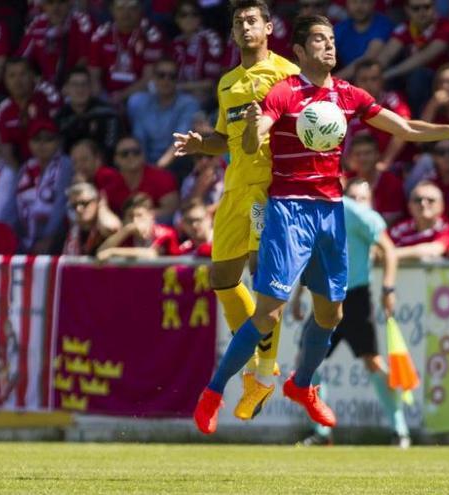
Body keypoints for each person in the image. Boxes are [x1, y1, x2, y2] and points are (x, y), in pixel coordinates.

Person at [190, 13, 449, 435]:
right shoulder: (284, 92)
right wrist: (253, 128)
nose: (329, 46)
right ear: (298, 51)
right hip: (288, 209)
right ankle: (214, 392)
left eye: (331, 39)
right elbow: (255, 133)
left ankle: (301, 385)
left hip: (330, 210)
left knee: (331, 314)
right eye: (318, 40)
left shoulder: (348, 95)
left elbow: (404, 127)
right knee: (268, 313)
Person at [172, 0, 300, 424]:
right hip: (233, 190)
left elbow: (306, 127)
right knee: (222, 279)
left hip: (267, 189)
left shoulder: (287, 73)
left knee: (262, 275)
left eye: (252, 20)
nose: (245, 27)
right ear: (231, 33)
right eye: (238, 22)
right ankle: (260, 361)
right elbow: (226, 139)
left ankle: (261, 372)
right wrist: (200, 143)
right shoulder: (227, 81)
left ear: (268, 27)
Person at [294, 178, 407, 448]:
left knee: (374, 363)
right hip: (326, 296)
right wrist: (299, 295)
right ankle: (322, 433)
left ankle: (400, 430)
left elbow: (389, 250)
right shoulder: (313, 213)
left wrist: (388, 289)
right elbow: (311, 256)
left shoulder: (354, 212)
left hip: (355, 298)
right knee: (306, 361)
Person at [377, 0, 449, 113]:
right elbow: (387, 54)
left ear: (434, 7)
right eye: (416, 8)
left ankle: (416, 119)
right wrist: (375, 73)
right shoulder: (405, 28)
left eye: (426, 7)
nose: (422, 12)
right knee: (382, 79)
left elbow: (423, 57)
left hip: (438, 80)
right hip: (409, 79)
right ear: (407, 10)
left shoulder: (446, 26)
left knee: (418, 75)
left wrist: (388, 74)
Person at [127, 57, 200, 169]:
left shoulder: (188, 104)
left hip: (174, 163)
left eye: (172, 76)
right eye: (161, 75)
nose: (166, 80)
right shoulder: (137, 102)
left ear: (177, 79)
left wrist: (157, 170)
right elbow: (139, 140)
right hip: (141, 163)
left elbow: (179, 141)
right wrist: (143, 170)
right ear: (153, 78)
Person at [88, 0, 166, 103]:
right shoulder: (101, 34)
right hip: (106, 93)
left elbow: (149, 77)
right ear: (112, 10)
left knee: (137, 100)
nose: (126, 13)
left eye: (132, 8)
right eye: (120, 8)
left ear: (140, 10)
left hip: (139, 93)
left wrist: (121, 96)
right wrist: (99, 98)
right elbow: (94, 75)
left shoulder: (151, 36)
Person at [15, 120, 74, 254]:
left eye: (48, 139)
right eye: (36, 139)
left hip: (56, 237)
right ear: (29, 143)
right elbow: (16, 205)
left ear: (58, 142)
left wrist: (49, 237)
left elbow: (61, 203)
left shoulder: (65, 164)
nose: (42, 144)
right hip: (25, 238)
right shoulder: (25, 168)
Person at [347, 60, 412, 173]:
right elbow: (345, 153)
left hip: (395, 168)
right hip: (359, 173)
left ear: (382, 81)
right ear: (356, 83)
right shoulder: (349, 110)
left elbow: (404, 125)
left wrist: (385, 163)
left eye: (374, 79)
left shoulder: (392, 99)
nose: (369, 84)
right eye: (364, 80)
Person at [0, 57, 62, 165]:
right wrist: (18, 177)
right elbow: (6, 151)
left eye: (22, 74)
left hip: (54, 161)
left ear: (32, 76)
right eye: (12, 76)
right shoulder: (3, 110)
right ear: (5, 81)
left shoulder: (47, 95)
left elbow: (58, 136)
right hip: (22, 168)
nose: (17, 80)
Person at [102, 136, 179, 224]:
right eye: (124, 153)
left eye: (136, 152)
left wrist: (137, 218)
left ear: (143, 155)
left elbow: (171, 211)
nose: (131, 156)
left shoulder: (162, 178)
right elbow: (104, 209)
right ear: (115, 159)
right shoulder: (110, 183)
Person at [17, 0, 94, 86]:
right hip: (46, 86)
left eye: (61, 2)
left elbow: (85, 59)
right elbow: (22, 60)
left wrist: (68, 84)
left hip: (76, 84)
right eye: (50, 3)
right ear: (43, 6)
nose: (56, 8)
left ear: (69, 3)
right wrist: (34, 77)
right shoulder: (37, 24)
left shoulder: (82, 21)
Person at [54, 67, 123, 156]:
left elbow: (112, 149)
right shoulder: (60, 117)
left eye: (84, 84)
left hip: (102, 165)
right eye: (75, 84)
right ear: (66, 89)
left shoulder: (107, 113)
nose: (80, 89)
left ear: (91, 87)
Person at [390, 181, 449, 261]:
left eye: (430, 200)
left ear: (441, 205)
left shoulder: (448, 227)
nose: (423, 203)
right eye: (418, 200)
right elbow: (380, 249)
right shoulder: (399, 229)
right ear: (409, 206)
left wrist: (390, 254)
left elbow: (435, 249)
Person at [96, 193, 181, 260]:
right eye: (130, 216)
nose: (134, 221)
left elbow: (151, 254)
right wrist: (126, 230)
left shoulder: (166, 233)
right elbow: (101, 253)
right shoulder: (126, 234)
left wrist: (113, 252)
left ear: (151, 215)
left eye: (139, 215)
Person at [345, 134, 406, 225]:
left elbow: (391, 221)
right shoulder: (345, 180)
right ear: (351, 157)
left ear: (377, 155)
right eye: (357, 154)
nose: (362, 158)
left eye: (367, 153)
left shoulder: (391, 183)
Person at [172, 0, 224, 105]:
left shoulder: (210, 39)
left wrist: (177, 87)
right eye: (183, 15)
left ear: (200, 18)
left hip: (204, 95)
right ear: (176, 19)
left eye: (194, 14)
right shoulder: (175, 43)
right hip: (177, 93)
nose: (189, 19)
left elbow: (211, 83)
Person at [333, 0, 394, 80]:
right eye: (354, 2)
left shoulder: (383, 24)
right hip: (348, 82)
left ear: (373, 3)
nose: (359, 7)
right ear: (347, 3)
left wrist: (332, 80)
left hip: (376, 82)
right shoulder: (340, 28)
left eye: (364, 1)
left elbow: (369, 58)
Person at [61, 182, 121, 256]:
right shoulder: (74, 229)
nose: (78, 209)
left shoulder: (103, 223)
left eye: (84, 203)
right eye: (74, 205)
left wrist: (102, 206)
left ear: (97, 201)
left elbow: (112, 228)